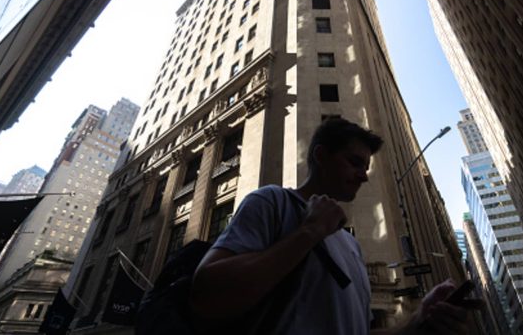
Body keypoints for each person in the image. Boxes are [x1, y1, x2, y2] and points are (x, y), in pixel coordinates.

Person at [189, 118, 480, 334]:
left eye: (366, 167)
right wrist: (310, 232)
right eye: (354, 162)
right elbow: (206, 294)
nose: (363, 176)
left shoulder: (351, 245)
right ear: (320, 156)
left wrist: (417, 321)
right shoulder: (272, 202)